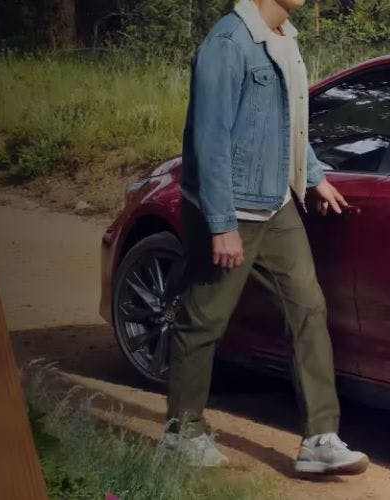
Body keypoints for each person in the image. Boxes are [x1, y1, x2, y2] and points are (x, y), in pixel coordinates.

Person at [157, 0, 367, 475]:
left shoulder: (285, 39)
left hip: (274, 203)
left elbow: (289, 125)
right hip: (231, 206)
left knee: (308, 308)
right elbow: (208, 140)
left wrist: (314, 177)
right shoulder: (228, 44)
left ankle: (320, 437)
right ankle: (181, 432)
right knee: (204, 319)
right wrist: (221, 223)